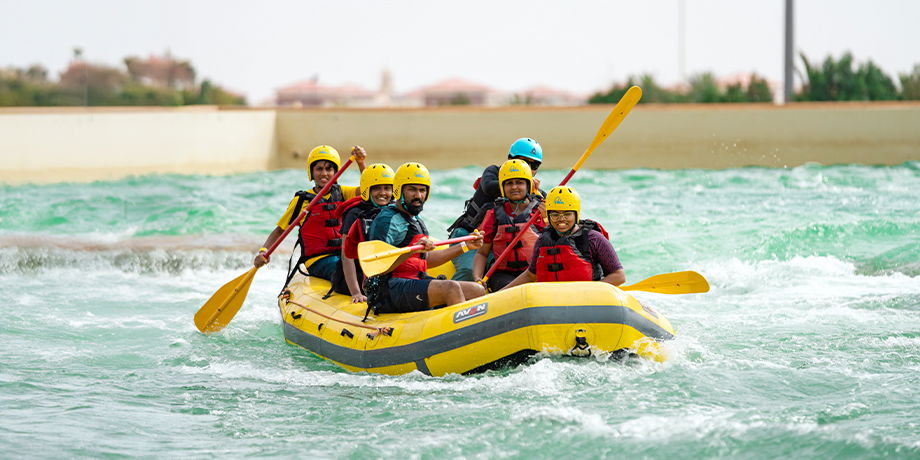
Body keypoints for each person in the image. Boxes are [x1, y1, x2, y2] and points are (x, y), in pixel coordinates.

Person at [364, 162, 486, 313]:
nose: (418, 195)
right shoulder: (387, 220)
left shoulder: (417, 220)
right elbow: (377, 268)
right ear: (399, 190)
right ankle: (462, 327)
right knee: (451, 288)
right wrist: (411, 250)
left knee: (477, 290)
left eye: (422, 190)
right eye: (412, 190)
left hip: (415, 280)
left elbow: (425, 261)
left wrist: (465, 246)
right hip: (387, 290)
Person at [254, 145, 367, 283]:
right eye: (319, 169)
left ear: (335, 172)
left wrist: (361, 163)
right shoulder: (302, 201)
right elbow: (279, 230)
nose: (324, 173)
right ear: (311, 172)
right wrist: (263, 251)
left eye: (329, 169)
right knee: (349, 273)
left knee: (369, 270)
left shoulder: (343, 193)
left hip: (344, 256)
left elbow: (367, 190)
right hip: (317, 260)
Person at [446, 137, 545, 281]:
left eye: (534, 165)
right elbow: (489, 187)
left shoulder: (534, 194)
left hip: (493, 243)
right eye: (523, 161)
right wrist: (521, 183)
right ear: (510, 159)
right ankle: (452, 292)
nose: (528, 167)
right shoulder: (492, 173)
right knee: (470, 270)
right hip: (468, 236)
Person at [501, 186, 626, 290]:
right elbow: (530, 275)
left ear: (576, 214)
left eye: (567, 214)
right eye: (555, 214)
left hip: (586, 300)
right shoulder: (543, 240)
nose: (561, 219)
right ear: (548, 216)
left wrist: (587, 292)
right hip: (552, 301)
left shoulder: (593, 238)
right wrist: (500, 293)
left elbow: (619, 276)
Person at [471, 159, 547, 291]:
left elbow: (556, 240)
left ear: (528, 185)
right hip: (503, 275)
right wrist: (477, 278)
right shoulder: (494, 213)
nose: (514, 187)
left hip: (534, 271)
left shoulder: (540, 211)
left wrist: (547, 218)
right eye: (509, 183)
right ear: (502, 187)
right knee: (505, 286)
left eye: (519, 182)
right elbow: (482, 253)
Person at [329, 163, 395, 303]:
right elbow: (346, 256)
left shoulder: (395, 211)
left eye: (387, 188)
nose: (383, 193)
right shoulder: (355, 213)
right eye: (377, 188)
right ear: (366, 189)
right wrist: (356, 292)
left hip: (382, 271)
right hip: (357, 275)